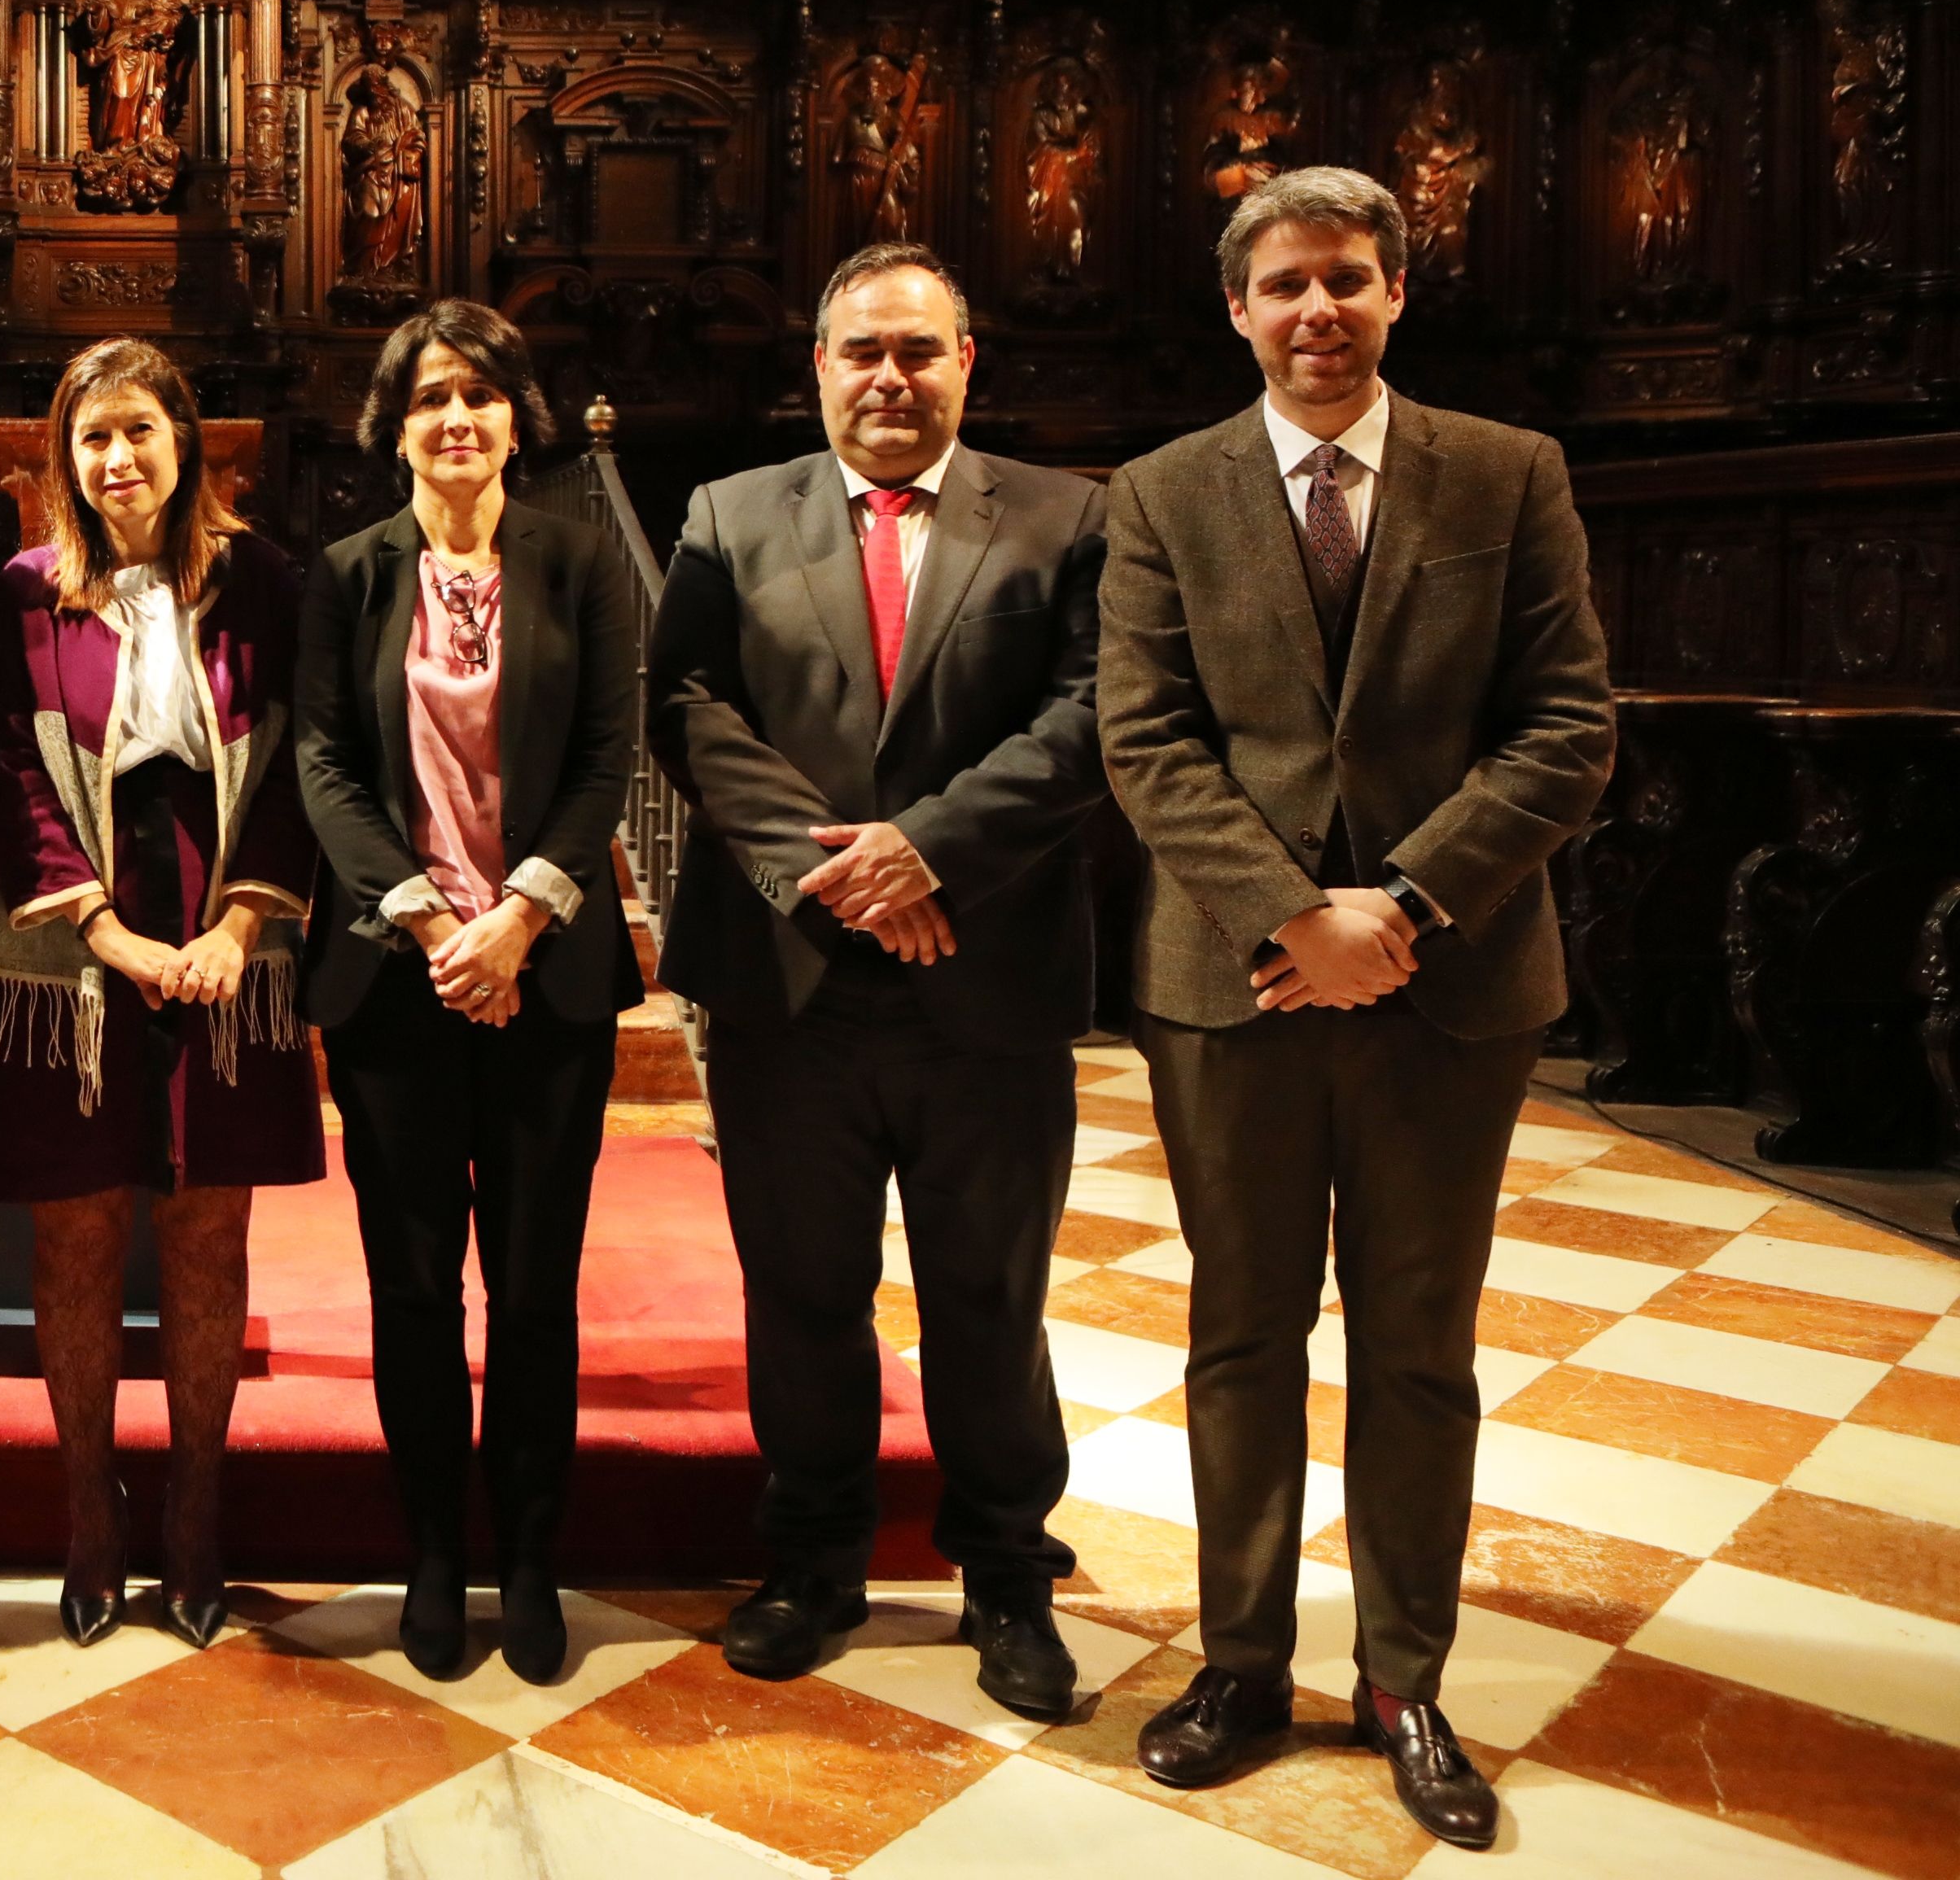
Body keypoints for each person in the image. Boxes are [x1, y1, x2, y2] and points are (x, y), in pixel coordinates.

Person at [1099, 167, 1613, 1849]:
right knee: (1241, 1334)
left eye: (1348, 281)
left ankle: (1407, 1681)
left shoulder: (1507, 473)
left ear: (1399, 295)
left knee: (1419, 1349)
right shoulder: (1165, 490)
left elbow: (1566, 727)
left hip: (1443, 985)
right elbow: (1147, 736)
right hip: (1230, 988)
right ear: (1236, 311)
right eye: (1285, 286)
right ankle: (1240, 1665)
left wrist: (1399, 905)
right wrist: (1287, 916)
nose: (1317, 311)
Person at [646, 244, 1109, 1720]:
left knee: (992, 1292)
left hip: (989, 975)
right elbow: (688, 703)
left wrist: (931, 854)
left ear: (970, 360)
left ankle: (1007, 1578)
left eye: (919, 351)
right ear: (821, 369)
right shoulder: (732, 513)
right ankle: (815, 1562)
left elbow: (1098, 710)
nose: (890, 379)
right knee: (802, 1292)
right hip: (792, 982)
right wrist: (833, 870)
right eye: (862, 353)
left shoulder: (1064, 517)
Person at [294, 300, 642, 1687]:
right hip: (396, 981)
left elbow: (612, 752)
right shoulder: (348, 573)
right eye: (430, 396)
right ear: (394, 425)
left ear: (515, 419)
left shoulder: (580, 561)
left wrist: (519, 919)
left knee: (539, 1291)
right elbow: (323, 762)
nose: (456, 419)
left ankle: (533, 1557)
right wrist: (431, 918)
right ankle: (436, 1550)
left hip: (546, 978)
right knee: (414, 1289)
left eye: (480, 397)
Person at [0, 339, 319, 1650]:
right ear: (64, 457)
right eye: (90, 439)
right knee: (76, 1236)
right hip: (73, 940)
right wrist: (104, 932)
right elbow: (8, 761)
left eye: (138, 433)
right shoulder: (21, 590)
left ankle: (197, 1519)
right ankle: (88, 1516)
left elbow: (298, 758)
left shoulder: (264, 583)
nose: (116, 461)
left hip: (220, 910)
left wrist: (239, 921)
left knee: (212, 1236)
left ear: (187, 444)